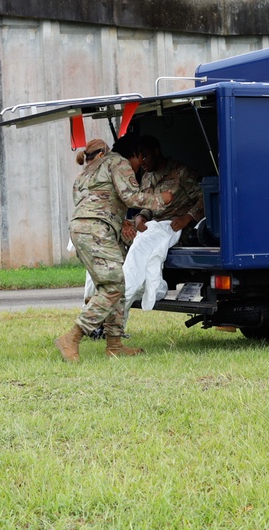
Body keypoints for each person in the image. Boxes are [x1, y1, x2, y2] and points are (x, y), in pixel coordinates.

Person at [56, 135, 173, 362]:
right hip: (96, 231)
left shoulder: (86, 172)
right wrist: (162, 199)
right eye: (142, 158)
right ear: (136, 154)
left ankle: (115, 345)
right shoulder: (118, 162)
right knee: (112, 287)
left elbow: (96, 203)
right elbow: (130, 197)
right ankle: (73, 336)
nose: (141, 164)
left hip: (83, 229)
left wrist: (121, 223)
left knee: (115, 285)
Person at [126, 135, 205, 246]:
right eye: (138, 158)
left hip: (177, 226)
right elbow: (149, 207)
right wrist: (141, 217)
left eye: (144, 156)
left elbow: (204, 199)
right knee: (123, 230)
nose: (141, 162)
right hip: (154, 225)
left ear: (156, 151)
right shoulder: (146, 177)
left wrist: (187, 218)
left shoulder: (181, 172)